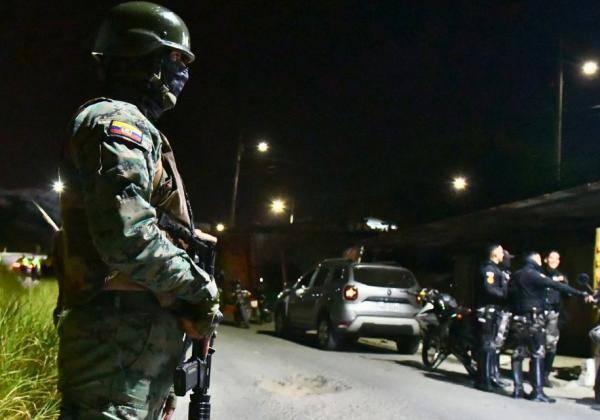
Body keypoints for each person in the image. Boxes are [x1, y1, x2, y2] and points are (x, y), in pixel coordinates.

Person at [56, 2, 220, 418]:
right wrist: (201, 288)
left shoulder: (140, 130)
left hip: (131, 354)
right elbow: (126, 236)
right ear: (142, 56)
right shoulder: (115, 122)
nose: (184, 73)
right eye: (177, 59)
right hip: (115, 349)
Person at [509, 252, 589, 403]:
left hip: (519, 317)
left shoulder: (517, 274)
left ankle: (518, 389)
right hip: (533, 318)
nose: (541, 261)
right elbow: (556, 285)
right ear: (534, 260)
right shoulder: (534, 274)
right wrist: (580, 293)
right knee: (538, 353)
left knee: (518, 353)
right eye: (539, 258)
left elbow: (509, 293)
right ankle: (537, 391)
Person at [475, 244, 511, 391]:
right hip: (487, 311)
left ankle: (491, 377)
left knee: (492, 345)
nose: (504, 255)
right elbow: (490, 289)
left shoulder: (497, 269)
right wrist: (507, 295)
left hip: (495, 310)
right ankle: (483, 380)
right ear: (494, 254)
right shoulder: (489, 269)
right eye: (501, 252)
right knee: (486, 345)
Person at [542, 250, 568, 387]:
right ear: (546, 259)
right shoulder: (539, 273)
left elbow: (568, 294)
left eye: (557, 259)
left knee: (551, 345)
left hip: (554, 314)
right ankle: (536, 374)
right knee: (537, 345)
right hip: (539, 313)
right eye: (551, 258)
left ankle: (545, 375)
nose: (554, 261)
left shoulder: (562, 276)